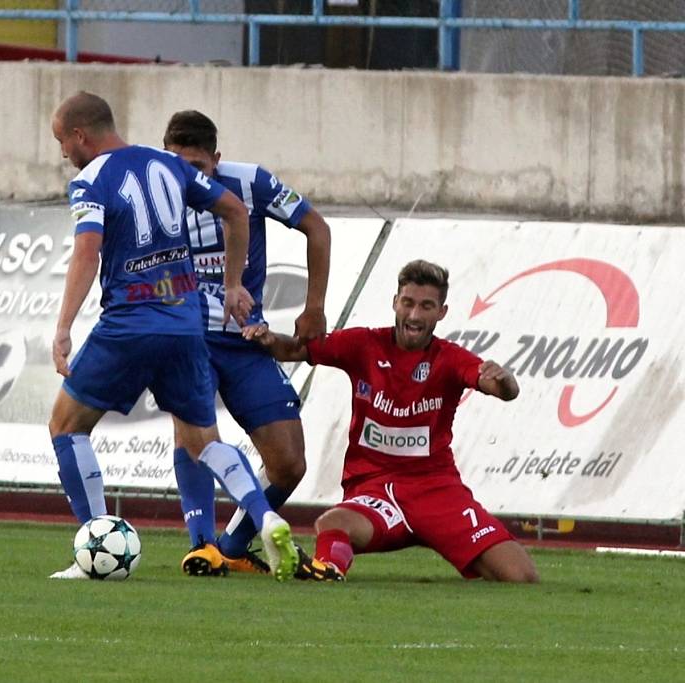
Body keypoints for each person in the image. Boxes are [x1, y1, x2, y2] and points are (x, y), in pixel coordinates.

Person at [46, 91, 298, 582]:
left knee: (66, 425)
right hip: (185, 324)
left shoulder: (90, 179)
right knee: (203, 440)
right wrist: (231, 284)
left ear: (80, 135)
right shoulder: (168, 164)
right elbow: (236, 212)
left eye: (61, 140)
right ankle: (264, 517)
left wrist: (63, 325)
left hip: (128, 324)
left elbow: (87, 252)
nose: (62, 152)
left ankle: (95, 548)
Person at [243, 259, 539, 583]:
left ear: (441, 312)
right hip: (375, 489)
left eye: (426, 306)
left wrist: (505, 380)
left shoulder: (450, 358)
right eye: (408, 303)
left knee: (521, 577)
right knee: (332, 524)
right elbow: (296, 350)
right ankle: (327, 570)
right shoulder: (363, 345)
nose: (414, 315)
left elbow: (500, 388)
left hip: (437, 491)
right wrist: (269, 341)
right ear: (395, 303)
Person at [162, 110, 331, 577]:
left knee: (289, 463)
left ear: (217, 159)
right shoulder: (155, 188)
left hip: (244, 337)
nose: (190, 177)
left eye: (199, 167)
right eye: (179, 166)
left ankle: (233, 545)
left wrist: (313, 306)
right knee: (193, 435)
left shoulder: (250, 182)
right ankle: (203, 547)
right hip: (184, 336)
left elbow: (317, 227)